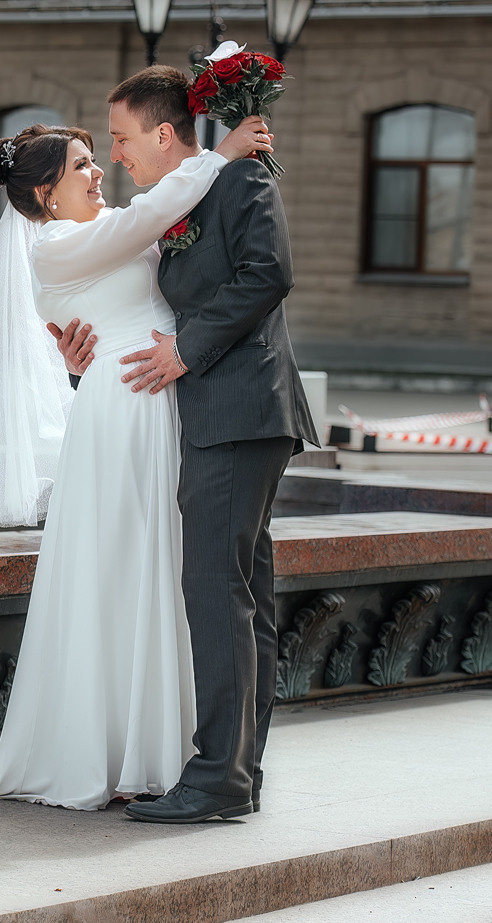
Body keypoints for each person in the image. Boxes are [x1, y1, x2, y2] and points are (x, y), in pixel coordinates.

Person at [0, 112, 273, 810]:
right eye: (80, 166)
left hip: (162, 404)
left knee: (162, 571)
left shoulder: (103, 229)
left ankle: (171, 749)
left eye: (97, 159)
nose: (99, 172)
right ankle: (114, 751)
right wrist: (221, 153)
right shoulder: (56, 248)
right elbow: (150, 219)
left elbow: (153, 241)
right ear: (44, 196)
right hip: (121, 415)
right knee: (122, 568)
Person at [56, 55, 315, 825]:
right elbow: (149, 317)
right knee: (242, 598)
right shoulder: (188, 194)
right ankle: (237, 771)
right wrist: (90, 367)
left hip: (239, 412)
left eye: (121, 137)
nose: (116, 155)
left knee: (216, 593)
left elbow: (269, 272)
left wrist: (187, 350)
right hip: (216, 416)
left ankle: (217, 778)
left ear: (163, 133)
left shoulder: (241, 178)